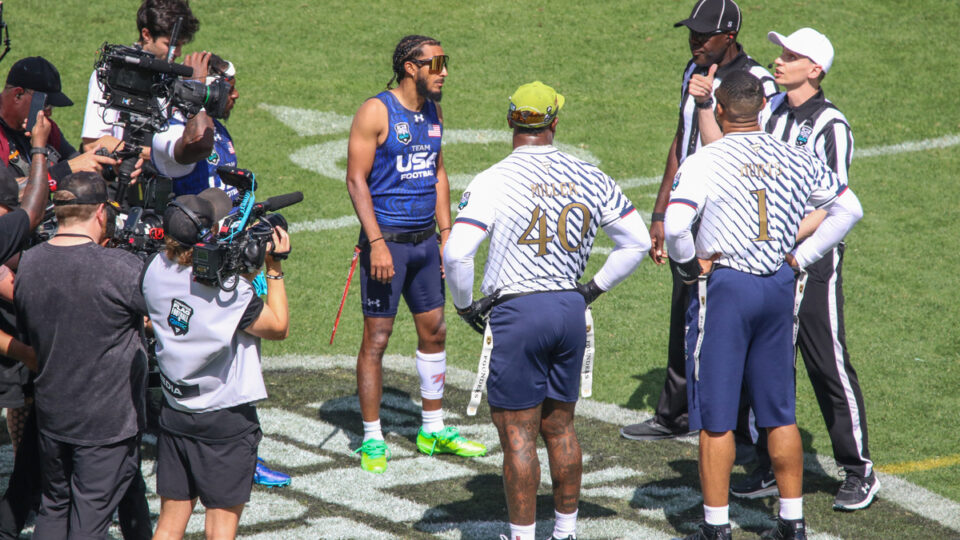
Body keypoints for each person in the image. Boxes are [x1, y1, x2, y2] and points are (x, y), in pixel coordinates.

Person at [444, 81, 650, 540]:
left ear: (511, 120)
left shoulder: (493, 179)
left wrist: (464, 307)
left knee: (518, 434)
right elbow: (636, 242)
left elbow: (457, 253)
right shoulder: (591, 175)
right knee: (561, 428)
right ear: (555, 121)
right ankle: (565, 532)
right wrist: (592, 289)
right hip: (569, 310)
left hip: (518, 315)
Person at [665, 71, 863, 540]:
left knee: (716, 417)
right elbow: (848, 210)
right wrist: (800, 257)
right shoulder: (794, 155)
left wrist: (691, 267)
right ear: (760, 110)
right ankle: (792, 521)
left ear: (719, 110)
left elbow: (675, 227)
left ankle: (717, 527)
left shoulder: (706, 159)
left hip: (727, 288)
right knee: (779, 410)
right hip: (778, 285)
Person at [621, 0, 779, 443]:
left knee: (727, 315)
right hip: (688, 210)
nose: (694, 40)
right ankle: (674, 414)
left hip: (727, 216)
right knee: (683, 309)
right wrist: (660, 211)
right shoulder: (691, 73)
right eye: (691, 31)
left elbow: (755, 153)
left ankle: (739, 425)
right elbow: (681, 140)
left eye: (704, 34)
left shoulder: (756, 83)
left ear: (728, 37)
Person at [345, 34, 485, 474]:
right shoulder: (376, 111)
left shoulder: (433, 112)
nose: (444, 71)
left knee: (436, 331)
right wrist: (377, 243)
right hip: (387, 245)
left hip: (426, 243)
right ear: (411, 67)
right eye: (437, 63)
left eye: (446, 62)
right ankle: (371, 438)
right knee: (377, 340)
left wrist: (447, 234)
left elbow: (438, 172)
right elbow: (356, 181)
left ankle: (433, 428)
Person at [142, 189, 291, 540]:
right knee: (220, 530)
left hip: (175, 411)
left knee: (168, 525)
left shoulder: (152, 271)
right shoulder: (230, 291)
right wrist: (275, 267)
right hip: (224, 419)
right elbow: (278, 326)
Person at [14, 172, 150, 539]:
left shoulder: (29, 265)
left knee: (54, 507)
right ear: (102, 214)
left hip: (53, 416)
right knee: (90, 520)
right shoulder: (121, 267)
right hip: (106, 424)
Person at [81, 0, 199, 152]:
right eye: (169, 45)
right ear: (146, 35)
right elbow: (93, 142)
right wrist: (159, 156)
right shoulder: (112, 72)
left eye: (181, 45)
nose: (178, 53)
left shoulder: (176, 78)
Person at [0, 57, 117, 184]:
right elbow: (5, 193)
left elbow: (77, 162)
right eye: (45, 105)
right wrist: (63, 171)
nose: (49, 113)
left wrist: (110, 168)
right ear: (18, 95)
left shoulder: (45, 128)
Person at [151, 52, 242, 199]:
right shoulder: (169, 133)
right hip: (199, 220)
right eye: (229, 90)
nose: (236, 95)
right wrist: (196, 89)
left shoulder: (214, 125)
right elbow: (200, 145)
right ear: (209, 92)